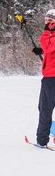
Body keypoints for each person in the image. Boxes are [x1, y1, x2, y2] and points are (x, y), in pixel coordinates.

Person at [32, 9, 55, 147]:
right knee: (43, 107)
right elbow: (50, 49)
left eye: (51, 20)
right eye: (46, 20)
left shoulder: (49, 34)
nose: (47, 23)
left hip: (51, 77)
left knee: (45, 108)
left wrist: (46, 33)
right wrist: (41, 52)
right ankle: (42, 138)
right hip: (49, 76)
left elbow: (48, 45)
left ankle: (42, 140)